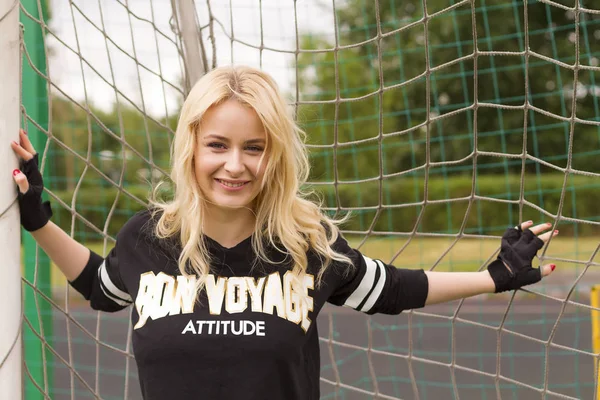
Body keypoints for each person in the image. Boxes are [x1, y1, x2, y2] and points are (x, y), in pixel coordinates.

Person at [10, 65, 558, 400]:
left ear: (275, 155)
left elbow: (392, 289)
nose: (235, 165)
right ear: (192, 147)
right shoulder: (148, 236)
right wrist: (37, 216)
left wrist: (494, 275)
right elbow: (100, 287)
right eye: (218, 145)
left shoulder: (306, 243)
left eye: (255, 147)